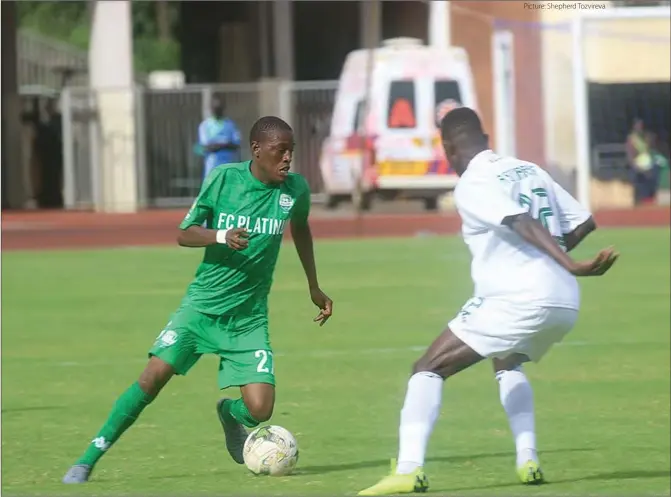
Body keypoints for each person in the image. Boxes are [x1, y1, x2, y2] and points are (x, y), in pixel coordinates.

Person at [358, 107, 618, 496]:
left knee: (426, 368)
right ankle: (527, 458)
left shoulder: (474, 181)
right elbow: (583, 221)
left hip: (519, 298)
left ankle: (409, 469)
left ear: (447, 146)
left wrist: (568, 263)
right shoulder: (526, 169)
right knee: (506, 358)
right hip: (563, 300)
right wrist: (557, 264)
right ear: (485, 137)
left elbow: (521, 222)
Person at [62, 116, 334, 484]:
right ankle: (88, 459)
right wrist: (221, 236)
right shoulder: (224, 179)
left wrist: (313, 286)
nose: (287, 159)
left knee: (260, 409)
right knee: (151, 380)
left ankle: (230, 415)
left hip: (248, 319)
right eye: (279, 151)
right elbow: (183, 233)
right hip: (202, 308)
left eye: (291, 151)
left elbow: (301, 228)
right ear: (256, 150)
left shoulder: (295, 190)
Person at [197, 98, 242, 180]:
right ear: (211, 109)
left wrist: (217, 145)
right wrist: (225, 144)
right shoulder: (205, 125)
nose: (217, 111)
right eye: (215, 108)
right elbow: (206, 147)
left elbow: (236, 145)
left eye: (219, 108)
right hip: (212, 170)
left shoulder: (230, 125)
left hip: (228, 169)